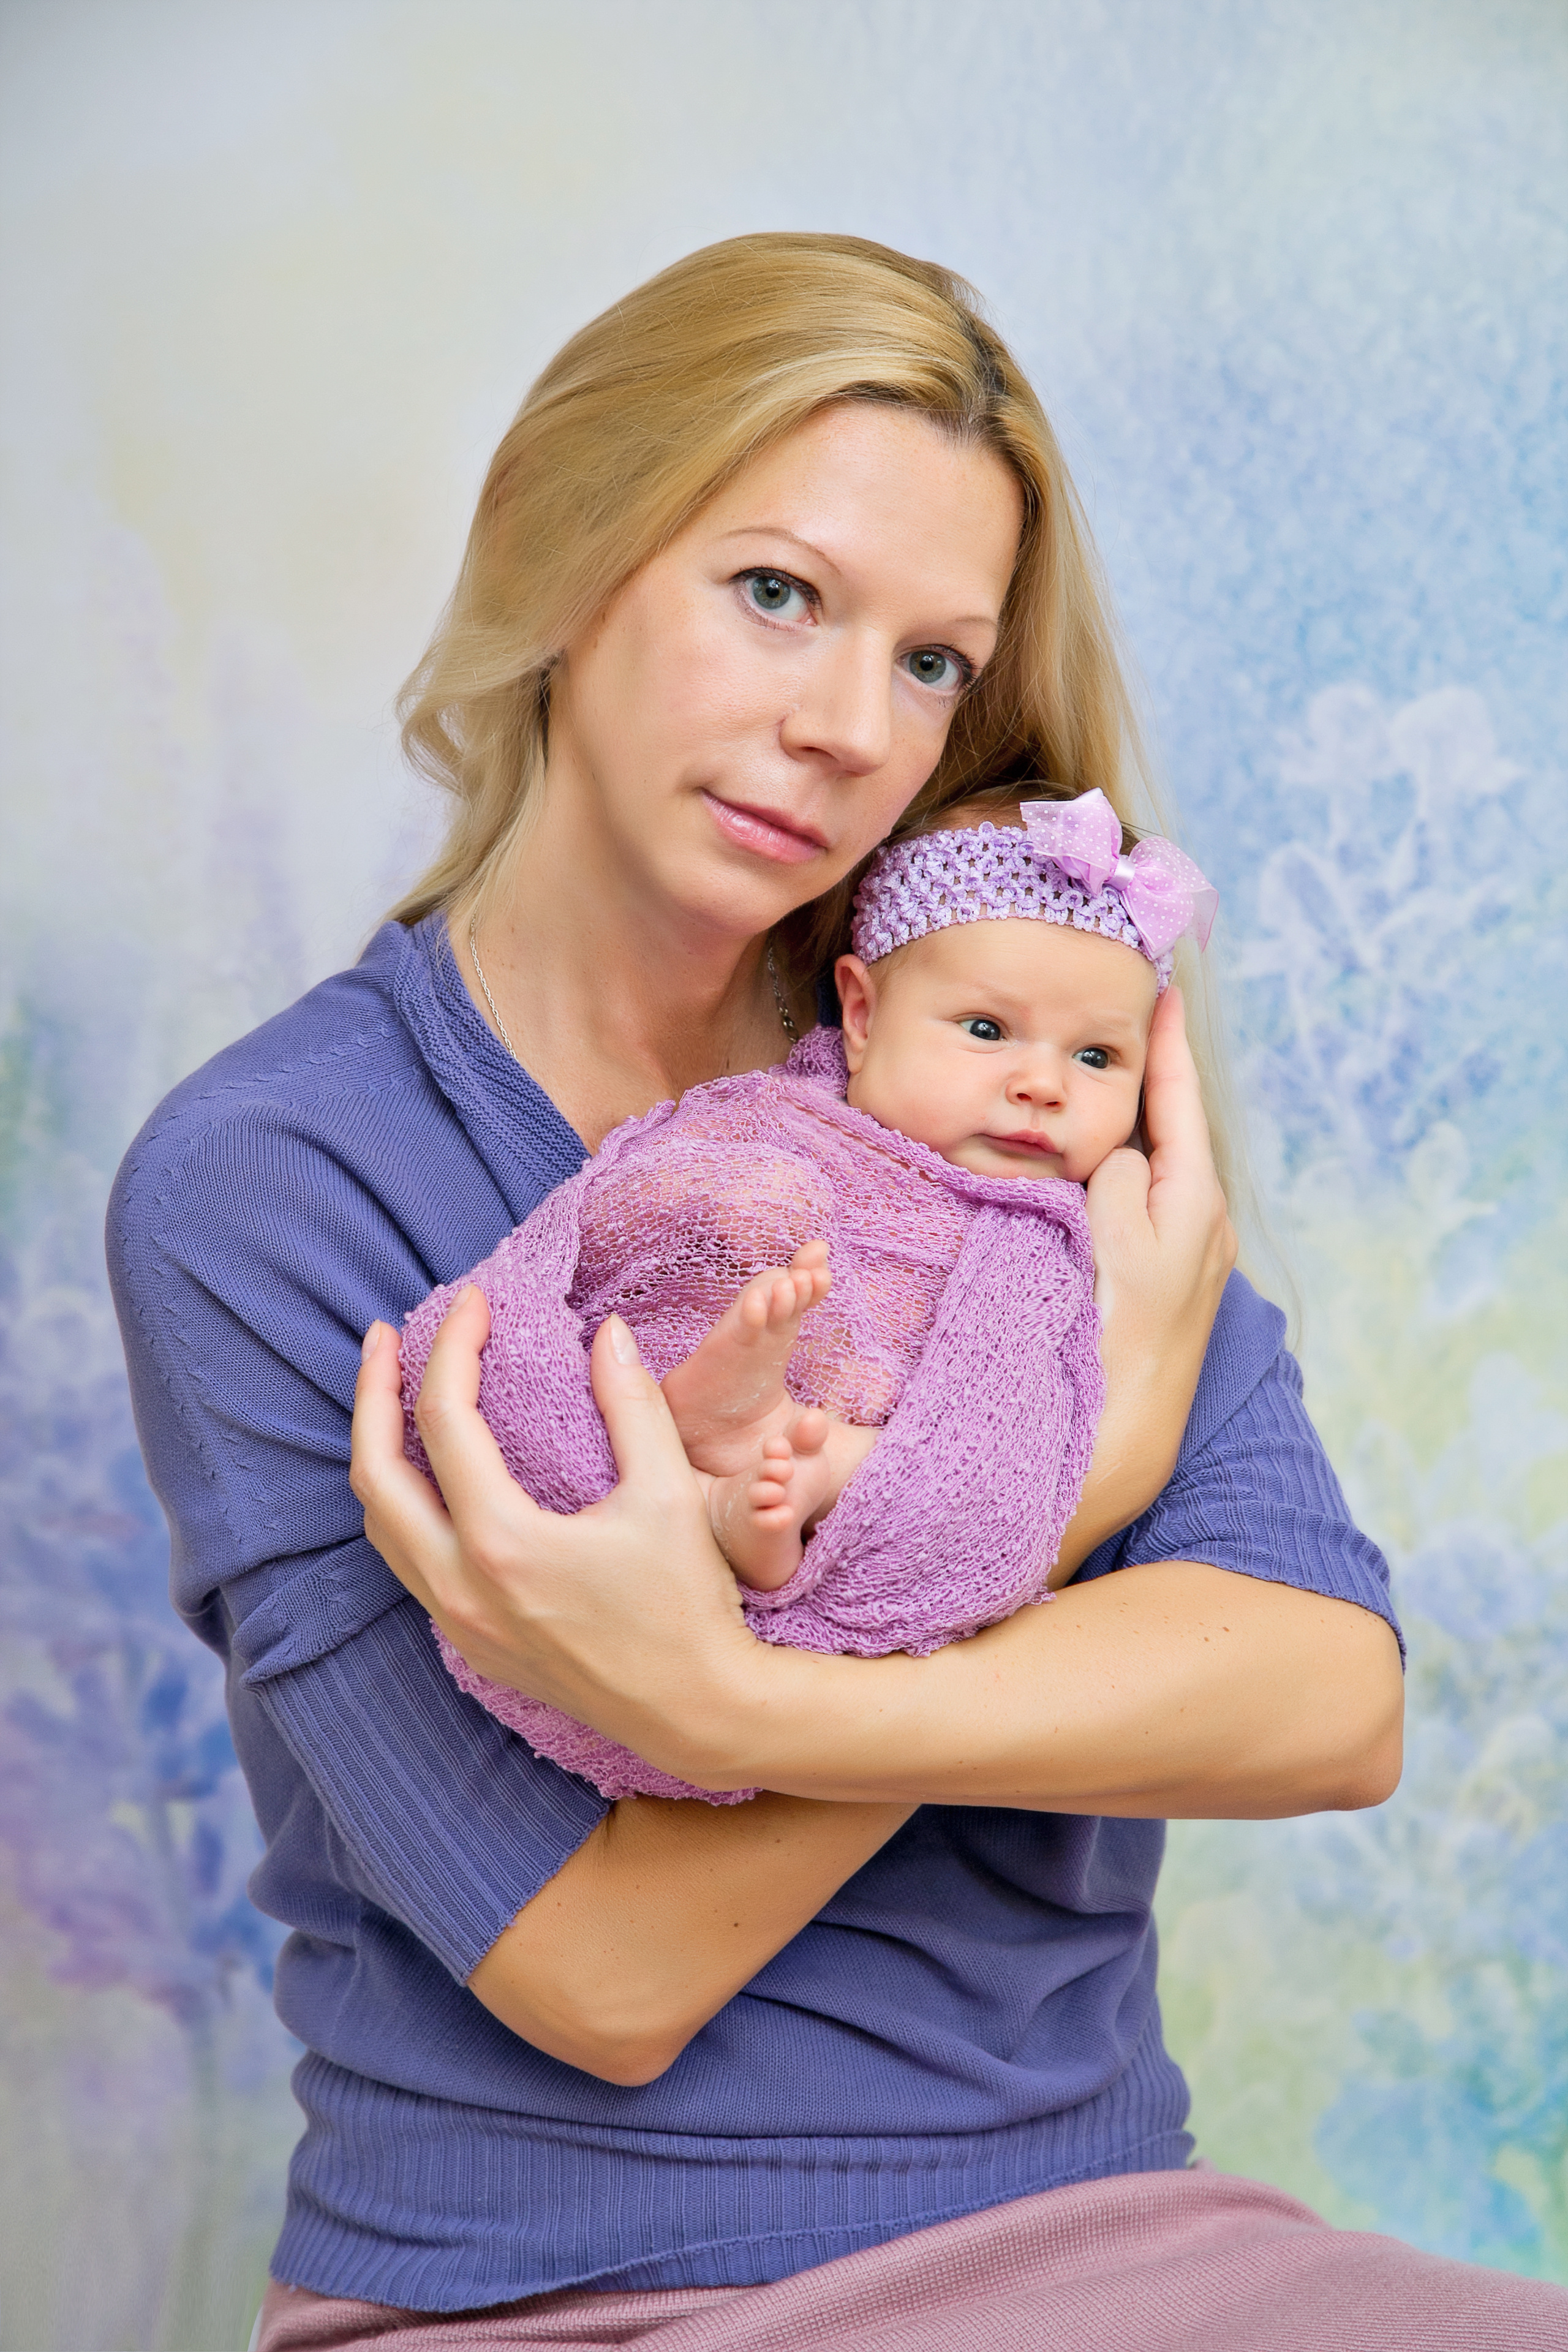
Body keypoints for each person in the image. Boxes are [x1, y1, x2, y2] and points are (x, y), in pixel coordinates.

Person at [107, 235, 1564, 2347]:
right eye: (777, 594)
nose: (842, 732)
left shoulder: (1017, 1060)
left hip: (1113, 2239)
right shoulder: (274, 1181)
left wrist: (741, 1707)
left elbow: (1329, 1700)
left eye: (932, 665)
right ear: (568, 551)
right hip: (572, 2291)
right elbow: (597, 1977)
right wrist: (1078, 1484)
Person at [407, 792, 1217, 1806]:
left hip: (845, 1492)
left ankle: (775, 1489)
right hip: (657, 1423)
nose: (1042, 1085)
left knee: (957, 1449)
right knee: (737, 1224)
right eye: (986, 1029)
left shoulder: (1077, 1242)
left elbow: (1020, 1439)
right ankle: (701, 1441)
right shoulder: (780, 1121)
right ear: (865, 1015)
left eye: (1096, 1057)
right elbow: (629, 1227)